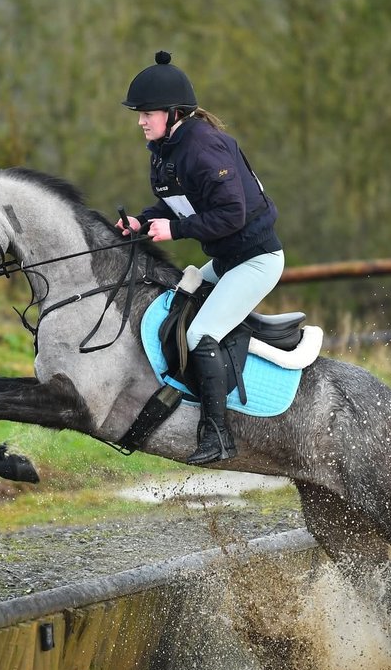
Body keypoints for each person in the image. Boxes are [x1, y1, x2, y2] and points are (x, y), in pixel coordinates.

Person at [115, 51, 284, 465]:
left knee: (199, 334)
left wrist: (175, 231)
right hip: (228, 261)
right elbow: (175, 205)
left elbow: (232, 215)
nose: (140, 122)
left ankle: (218, 435)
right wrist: (142, 221)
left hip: (256, 261)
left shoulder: (204, 147)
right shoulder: (167, 150)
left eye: (147, 114)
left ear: (173, 113)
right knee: (173, 308)